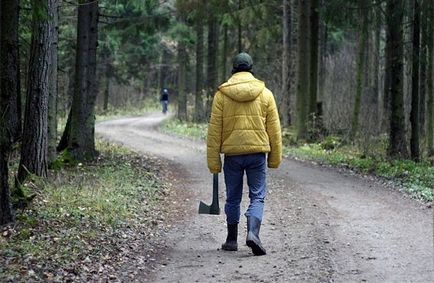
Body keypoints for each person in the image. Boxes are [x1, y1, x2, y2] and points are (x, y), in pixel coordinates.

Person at [207, 52, 282, 256]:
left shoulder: (222, 95)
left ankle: (231, 240)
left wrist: (214, 162)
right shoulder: (265, 94)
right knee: (257, 196)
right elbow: (274, 130)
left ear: (233, 69)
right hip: (257, 154)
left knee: (232, 198)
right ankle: (253, 234)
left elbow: (214, 131)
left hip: (232, 155)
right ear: (251, 69)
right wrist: (274, 158)